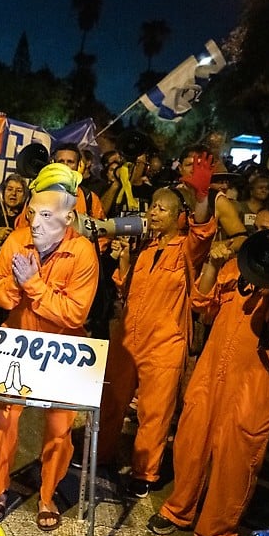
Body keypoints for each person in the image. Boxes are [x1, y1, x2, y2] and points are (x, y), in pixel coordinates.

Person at [148, 202, 269, 536]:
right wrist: (211, 262)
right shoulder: (244, 264)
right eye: (259, 231)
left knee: (235, 462)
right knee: (192, 442)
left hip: (256, 390)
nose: (262, 240)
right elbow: (201, 302)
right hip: (211, 378)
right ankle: (179, 509)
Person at [0, 163, 99, 531]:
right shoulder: (16, 241)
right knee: (4, 419)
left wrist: (31, 285)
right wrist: (13, 289)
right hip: (18, 341)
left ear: (68, 217)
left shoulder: (82, 253)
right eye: (33, 213)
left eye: (46, 216)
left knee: (60, 428)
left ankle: (48, 496)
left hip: (62, 351)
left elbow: (74, 313)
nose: (34, 223)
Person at [96, 186, 214, 497]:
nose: (153, 213)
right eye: (153, 207)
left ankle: (144, 472)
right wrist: (123, 260)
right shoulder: (145, 249)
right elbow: (127, 291)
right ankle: (102, 455)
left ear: (179, 217)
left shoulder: (186, 250)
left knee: (154, 412)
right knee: (111, 400)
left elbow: (202, 233)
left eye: (162, 209)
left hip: (164, 343)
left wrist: (202, 199)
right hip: (128, 337)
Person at [0, 174, 29, 329]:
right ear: (2, 192)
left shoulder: (28, 219)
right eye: (9, 189)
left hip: (15, 281)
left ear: (25, 196)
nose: (13, 194)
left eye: (18, 191)